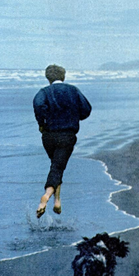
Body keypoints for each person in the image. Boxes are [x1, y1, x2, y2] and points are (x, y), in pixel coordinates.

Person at [33, 64, 92, 218]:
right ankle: (46, 197)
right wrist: (72, 116)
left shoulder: (43, 92)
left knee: (56, 165)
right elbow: (86, 109)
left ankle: (57, 200)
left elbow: (38, 105)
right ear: (63, 76)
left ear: (48, 78)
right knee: (58, 167)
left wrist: (42, 123)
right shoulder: (72, 90)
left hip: (48, 135)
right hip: (67, 135)